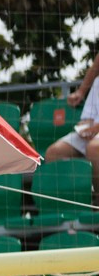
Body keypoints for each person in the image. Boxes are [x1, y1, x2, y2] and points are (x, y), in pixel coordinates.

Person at [41, 46, 99, 191]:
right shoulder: (97, 82)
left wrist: (95, 129)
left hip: (95, 138)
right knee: (53, 153)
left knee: (93, 149)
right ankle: (73, 204)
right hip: (92, 134)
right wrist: (84, 129)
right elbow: (87, 118)